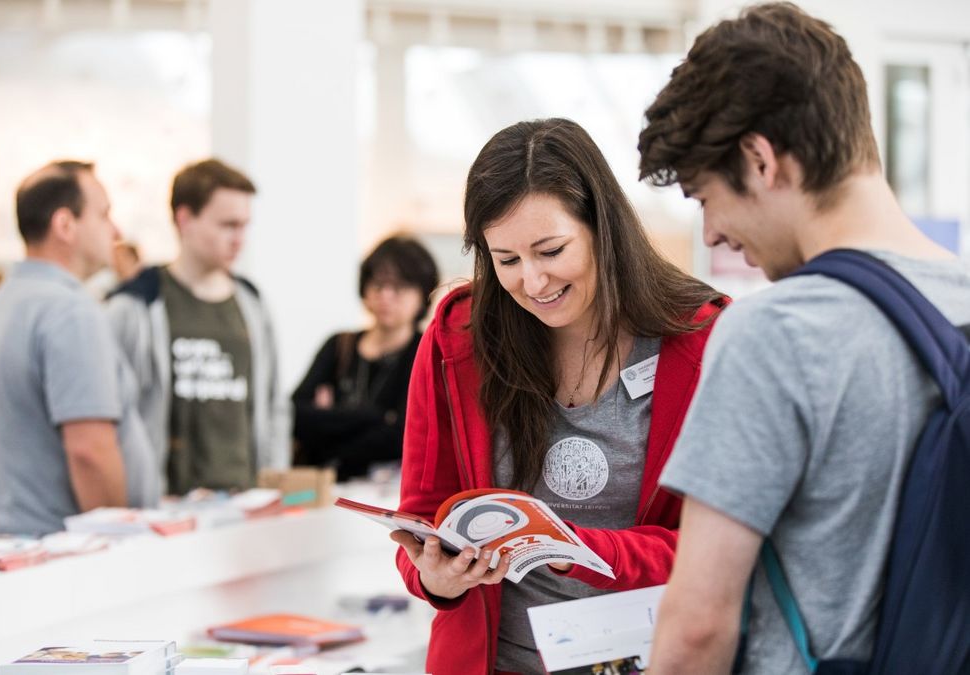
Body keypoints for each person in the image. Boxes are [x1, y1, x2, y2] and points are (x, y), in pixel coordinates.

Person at [636, 4, 970, 674]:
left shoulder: (774, 333)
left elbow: (697, 627)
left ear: (759, 160)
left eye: (704, 199)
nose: (710, 236)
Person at [390, 118, 727, 674]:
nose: (533, 282)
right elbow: (423, 516)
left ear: (602, 226)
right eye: (506, 261)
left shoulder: (702, 339)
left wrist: (583, 551)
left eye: (551, 251)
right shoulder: (458, 337)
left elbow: (720, 549)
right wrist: (435, 576)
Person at [0, 161, 158, 536]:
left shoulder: (4, 301)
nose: (115, 230)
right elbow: (89, 451)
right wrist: (117, 545)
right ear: (65, 225)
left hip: (12, 546)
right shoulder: (68, 311)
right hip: (63, 559)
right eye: (103, 215)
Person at [106, 158, 289, 496]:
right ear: (184, 219)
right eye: (228, 225)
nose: (239, 239)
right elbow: (114, 414)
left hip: (245, 500)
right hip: (166, 503)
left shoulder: (252, 304)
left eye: (245, 226)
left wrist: (273, 482)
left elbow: (275, 402)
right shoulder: (136, 306)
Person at [291, 234, 439, 481]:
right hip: (329, 489)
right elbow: (295, 415)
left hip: (393, 490)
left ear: (422, 294)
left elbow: (404, 436)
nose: (386, 296)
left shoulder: (426, 351)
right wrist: (376, 416)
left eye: (399, 288)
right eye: (378, 285)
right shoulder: (339, 345)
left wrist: (331, 421)